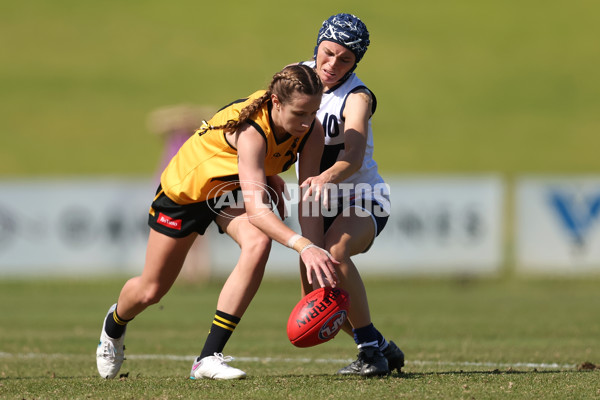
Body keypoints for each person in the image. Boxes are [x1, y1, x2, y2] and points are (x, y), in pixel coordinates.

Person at [96, 64, 339, 380]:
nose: (307, 121)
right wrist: (303, 246)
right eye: (299, 113)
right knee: (150, 291)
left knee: (258, 243)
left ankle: (207, 358)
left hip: (228, 191)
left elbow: (307, 198)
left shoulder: (311, 131)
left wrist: (313, 261)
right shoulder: (251, 131)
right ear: (276, 103)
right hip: (185, 195)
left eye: (314, 111)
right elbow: (258, 211)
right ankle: (113, 326)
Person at [297, 13, 405, 377]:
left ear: (356, 62)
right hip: (315, 198)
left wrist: (327, 176)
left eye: (346, 59)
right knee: (316, 297)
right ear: (317, 46)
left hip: (363, 197)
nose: (333, 65)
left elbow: (353, 153)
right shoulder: (294, 77)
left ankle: (370, 354)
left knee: (335, 251)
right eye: (328, 53)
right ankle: (378, 344)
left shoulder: (357, 96)